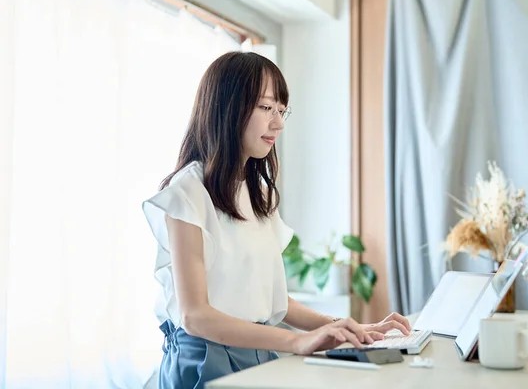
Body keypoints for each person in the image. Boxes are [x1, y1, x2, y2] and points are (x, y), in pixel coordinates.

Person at [142, 51, 411, 389]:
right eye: (266, 108)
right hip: (203, 361)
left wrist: (344, 327)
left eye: (282, 111)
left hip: (257, 354)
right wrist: (295, 342)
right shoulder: (187, 193)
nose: (278, 123)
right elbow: (194, 316)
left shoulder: (258, 194)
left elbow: (274, 301)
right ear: (227, 106)